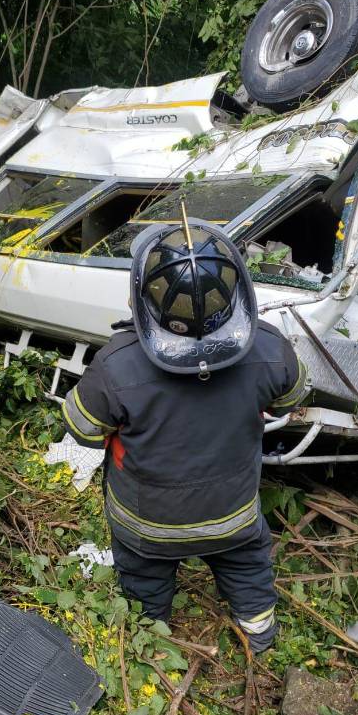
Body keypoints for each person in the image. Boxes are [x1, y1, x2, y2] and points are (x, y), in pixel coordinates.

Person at [62, 206, 308, 652]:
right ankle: (259, 634)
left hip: (145, 523)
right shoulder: (272, 349)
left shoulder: (117, 364)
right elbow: (291, 400)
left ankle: (151, 635)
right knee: (248, 566)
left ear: (141, 300)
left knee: (143, 578)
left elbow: (82, 427)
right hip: (232, 515)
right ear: (236, 294)